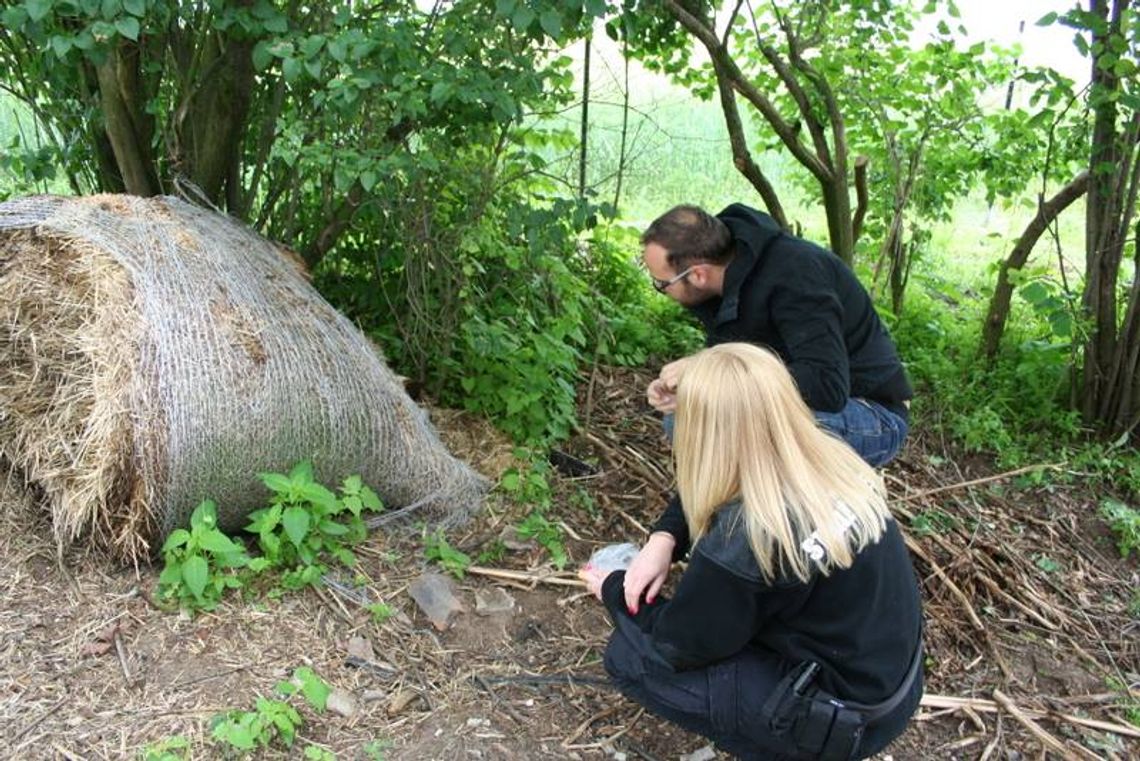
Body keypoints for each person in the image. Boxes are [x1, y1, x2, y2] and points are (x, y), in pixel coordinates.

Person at [579, 344, 923, 761]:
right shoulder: (834, 458)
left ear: (705, 436)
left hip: (838, 725)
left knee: (629, 657)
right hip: (893, 690)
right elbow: (721, 479)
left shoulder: (748, 536)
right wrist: (665, 537)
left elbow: (675, 646)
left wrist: (613, 588)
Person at [642, 203, 912, 468]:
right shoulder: (723, 285)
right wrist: (694, 392)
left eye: (662, 284)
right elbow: (740, 375)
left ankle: (769, 510)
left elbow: (826, 387)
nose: (663, 292)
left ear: (698, 274)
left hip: (872, 412)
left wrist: (705, 371)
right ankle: (716, 511)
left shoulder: (796, 275)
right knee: (683, 421)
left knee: (732, 432)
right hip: (802, 404)